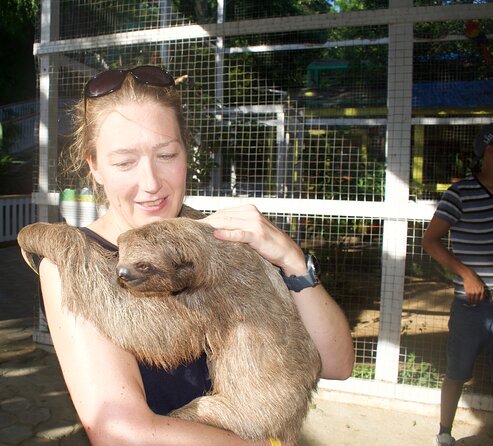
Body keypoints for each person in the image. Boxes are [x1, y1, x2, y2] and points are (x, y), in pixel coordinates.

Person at [39, 65, 354, 445]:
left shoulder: (218, 238)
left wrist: (292, 261)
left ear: (187, 153)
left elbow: (337, 364)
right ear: (95, 168)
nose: (151, 183)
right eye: (125, 162)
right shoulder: (68, 266)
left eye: (167, 154)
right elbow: (119, 433)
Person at [423, 123, 493, 446]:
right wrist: (465, 273)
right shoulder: (460, 193)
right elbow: (431, 240)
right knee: (457, 372)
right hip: (472, 307)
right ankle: (444, 433)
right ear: (487, 152)